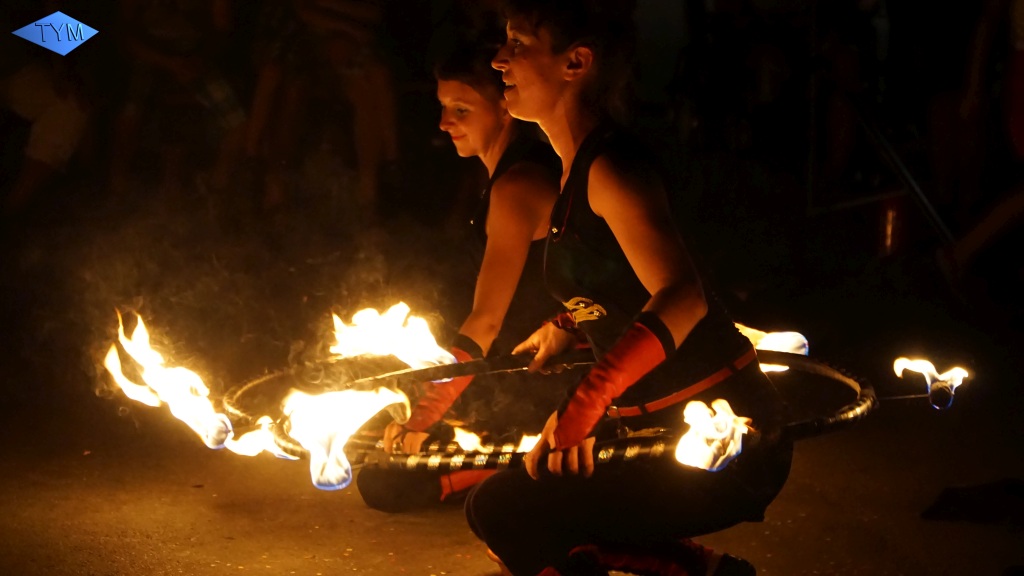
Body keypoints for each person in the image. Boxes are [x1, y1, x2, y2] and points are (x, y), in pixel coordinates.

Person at [463, 1, 794, 574]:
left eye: (518, 44)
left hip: (722, 442)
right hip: (646, 434)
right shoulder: (572, 171)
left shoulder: (611, 167)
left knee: (510, 512)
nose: (498, 60)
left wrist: (587, 402)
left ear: (576, 62)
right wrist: (570, 324)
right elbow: (619, 280)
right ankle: (707, 571)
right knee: (499, 508)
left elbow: (683, 293)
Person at [354, 34, 565, 512]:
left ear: (506, 109)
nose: (445, 122)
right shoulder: (504, 177)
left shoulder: (518, 188)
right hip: (510, 378)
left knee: (388, 482)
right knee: (379, 452)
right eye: (443, 106)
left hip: (545, 385)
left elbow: (485, 323)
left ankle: (490, 473)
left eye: (462, 110)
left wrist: (423, 417)